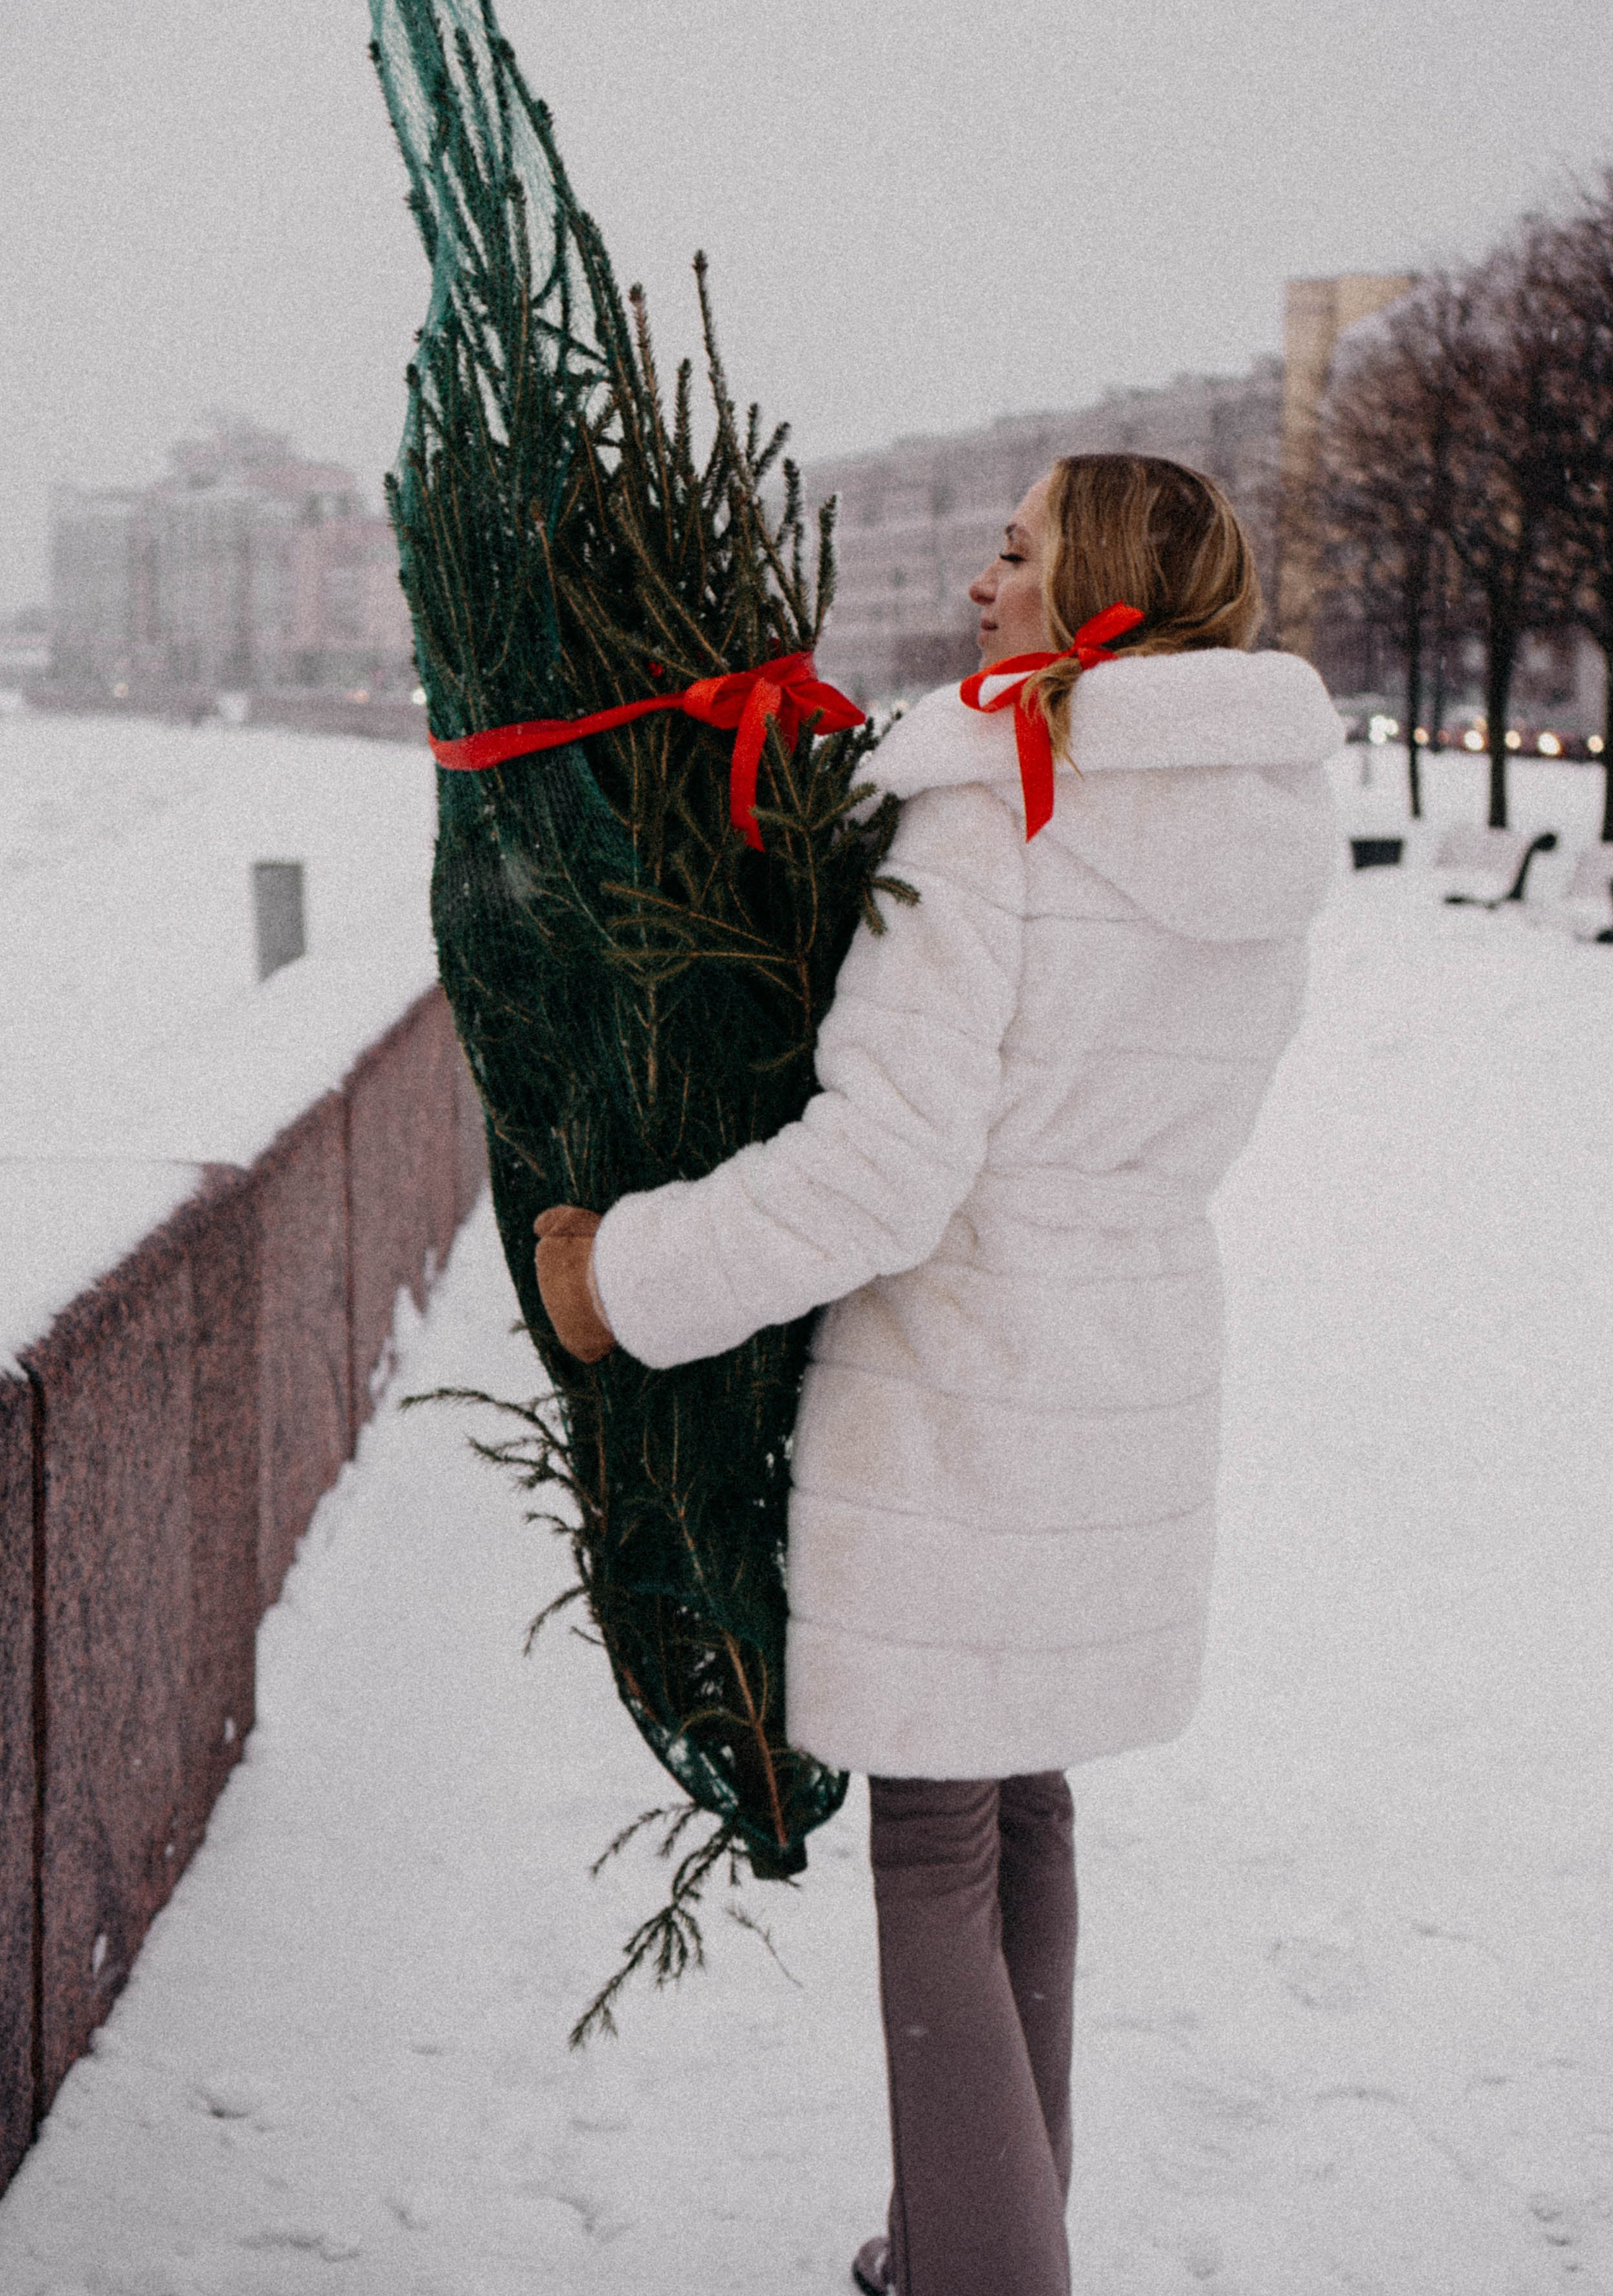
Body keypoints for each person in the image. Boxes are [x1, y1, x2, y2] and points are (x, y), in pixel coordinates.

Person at [534, 453, 1341, 2296]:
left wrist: (624, 1278)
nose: (983, 583)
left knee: (932, 1853)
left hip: (969, 1387)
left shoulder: (998, 809)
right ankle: (999, 2233)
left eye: (1018, 550)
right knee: (1024, 1810)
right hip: (1130, 1365)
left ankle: (984, 2277)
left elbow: (885, 1169)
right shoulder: (1248, 827)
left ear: (1103, 589)